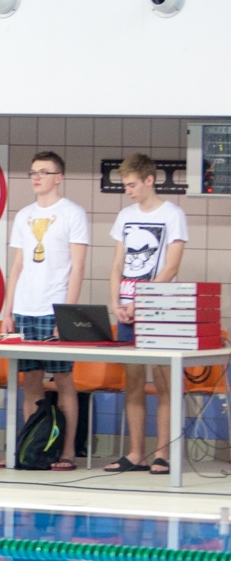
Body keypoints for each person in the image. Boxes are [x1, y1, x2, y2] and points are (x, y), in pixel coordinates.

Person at [103, 153, 190, 475]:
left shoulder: (173, 215)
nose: (128, 190)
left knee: (164, 382)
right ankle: (136, 452)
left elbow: (171, 266)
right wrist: (116, 303)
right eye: (124, 185)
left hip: (161, 308)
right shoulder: (125, 215)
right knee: (134, 382)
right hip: (126, 308)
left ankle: (163, 454)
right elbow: (116, 264)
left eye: (132, 185)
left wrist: (144, 301)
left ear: (149, 180)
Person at [2, 151, 88, 472]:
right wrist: (7, 310)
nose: (36, 177)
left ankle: (66, 452)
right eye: (33, 172)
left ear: (58, 177)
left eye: (43, 172)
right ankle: (34, 448)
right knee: (31, 381)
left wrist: (66, 313)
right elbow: (18, 265)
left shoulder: (73, 214)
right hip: (25, 308)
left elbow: (78, 267)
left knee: (64, 379)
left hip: (54, 308)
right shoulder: (23, 215)